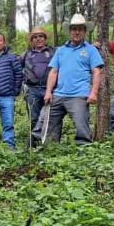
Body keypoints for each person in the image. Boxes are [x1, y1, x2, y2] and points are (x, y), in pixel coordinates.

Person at [43, 14, 104, 145]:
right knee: (48, 123)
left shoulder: (91, 50)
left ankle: (84, 151)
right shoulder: (60, 50)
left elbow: (96, 71)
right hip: (58, 94)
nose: (77, 32)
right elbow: (53, 72)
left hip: (79, 95)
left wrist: (93, 92)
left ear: (84, 31)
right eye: (74, 29)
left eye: (80, 29)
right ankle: (50, 147)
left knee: (81, 125)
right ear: (69, 31)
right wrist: (48, 91)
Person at [21, 26, 54, 136]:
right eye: (35, 37)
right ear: (31, 40)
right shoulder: (26, 54)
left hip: (49, 89)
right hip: (32, 90)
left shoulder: (53, 52)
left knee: (50, 116)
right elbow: (15, 68)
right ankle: (33, 142)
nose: (38, 39)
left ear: (45, 38)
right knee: (34, 116)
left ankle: (49, 142)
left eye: (41, 36)